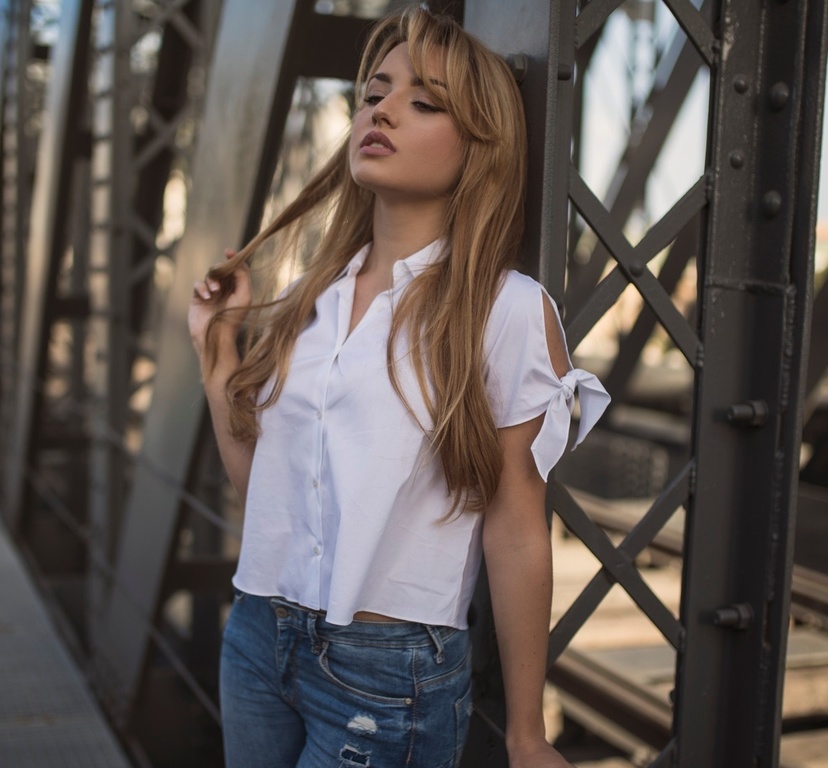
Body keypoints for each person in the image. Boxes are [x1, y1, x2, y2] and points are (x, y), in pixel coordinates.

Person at [188, 7, 610, 767]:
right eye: (374, 93)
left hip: (386, 675)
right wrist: (214, 356)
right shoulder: (311, 299)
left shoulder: (506, 311)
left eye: (424, 101)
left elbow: (517, 526)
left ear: (479, 145)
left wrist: (526, 732)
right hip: (256, 635)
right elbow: (266, 497)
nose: (381, 109)